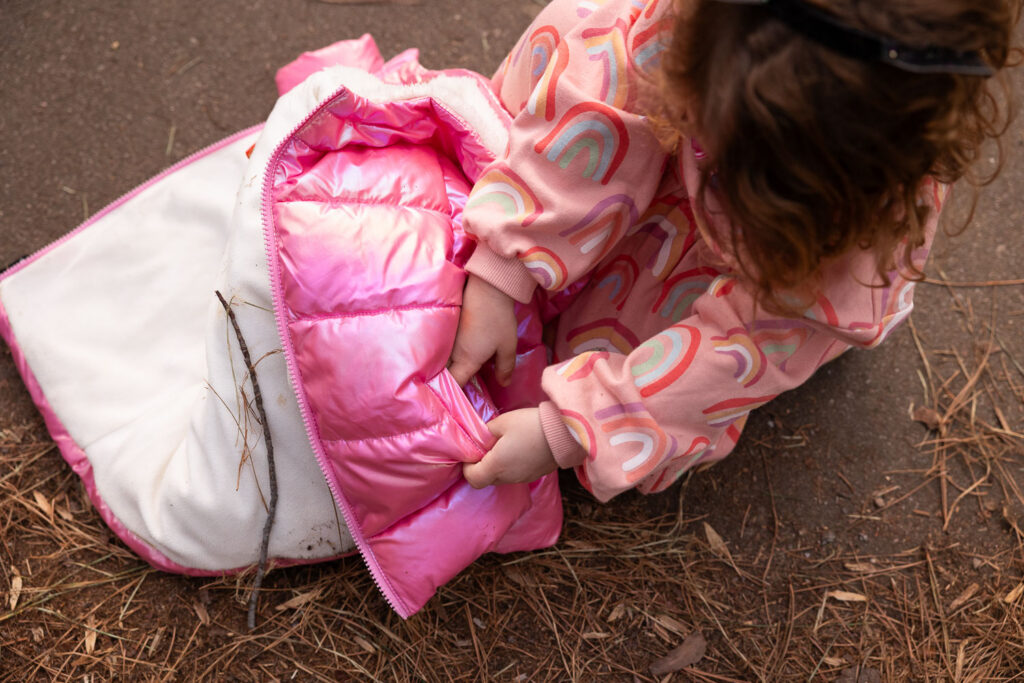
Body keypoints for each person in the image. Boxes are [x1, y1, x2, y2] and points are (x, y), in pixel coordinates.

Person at [446, 0, 1020, 501]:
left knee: (598, 345)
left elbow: (741, 348)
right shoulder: (709, 23)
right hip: (698, 160)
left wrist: (570, 428)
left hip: (767, 261)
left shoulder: (865, 235)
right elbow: (607, 99)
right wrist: (505, 267)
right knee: (583, 36)